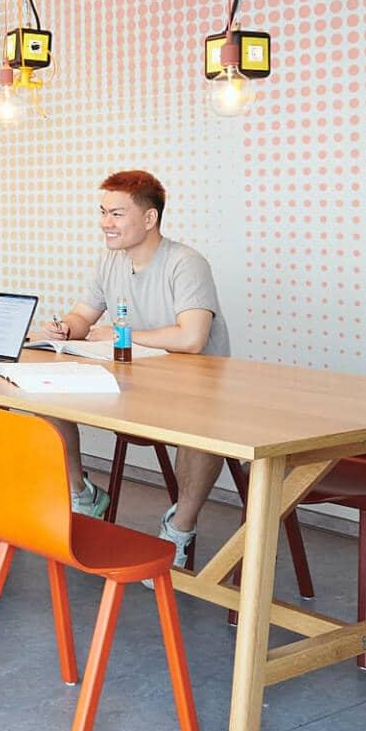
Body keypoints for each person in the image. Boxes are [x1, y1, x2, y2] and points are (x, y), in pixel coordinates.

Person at [30, 170, 231, 566]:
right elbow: (84, 315)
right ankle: (83, 494)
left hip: (196, 388)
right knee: (46, 400)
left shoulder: (186, 263)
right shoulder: (111, 261)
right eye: (103, 212)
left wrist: (121, 335)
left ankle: (179, 529)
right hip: (134, 380)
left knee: (202, 431)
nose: (106, 222)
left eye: (117, 214)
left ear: (150, 219)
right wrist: (69, 326)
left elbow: (191, 338)